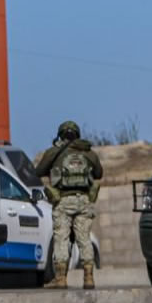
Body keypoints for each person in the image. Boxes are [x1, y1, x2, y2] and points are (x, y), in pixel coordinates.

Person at [34, 120, 103, 289]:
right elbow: (99, 173)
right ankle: (88, 278)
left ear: (61, 135)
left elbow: (38, 171)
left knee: (61, 239)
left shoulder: (54, 152)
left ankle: (61, 279)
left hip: (63, 201)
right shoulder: (88, 153)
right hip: (84, 202)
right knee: (84, 238)